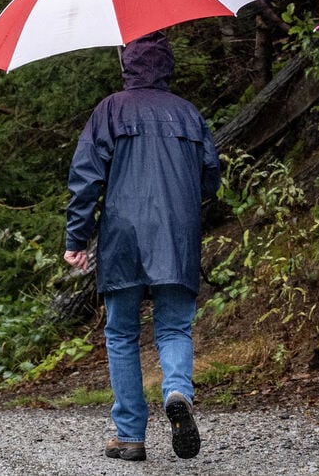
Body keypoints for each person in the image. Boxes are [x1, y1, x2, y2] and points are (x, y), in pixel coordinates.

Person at [63, 31, 221, 462]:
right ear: (167, 67)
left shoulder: (110, 110)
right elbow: (210, 179)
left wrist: (77, 239)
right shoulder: (189, 114)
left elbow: (85, 179)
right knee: (173, 326)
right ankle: (176, 391)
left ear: (127, 66)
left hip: (123, 235)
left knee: (121, 334)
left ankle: (130, 434)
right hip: (177, 234)